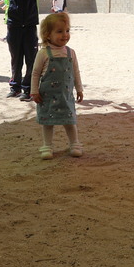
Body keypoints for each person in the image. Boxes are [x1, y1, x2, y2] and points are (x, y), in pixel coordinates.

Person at [30, 12, 84, 160]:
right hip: (47, 96)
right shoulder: (43, 53)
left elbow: (76, 72)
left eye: (67, 31)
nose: (65, 35)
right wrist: (34, 91)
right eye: (59, 31)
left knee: (69, 120)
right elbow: (35, 74)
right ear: (47, 35)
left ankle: (75, 144)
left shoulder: (70, 53)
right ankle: (47, 145)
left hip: (65, 95)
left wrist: (79, 89)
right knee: (48, 122)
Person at [4, 0, 45, 99]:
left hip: (29, 27)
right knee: (16, 58)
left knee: (31, 59)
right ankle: (15, 87)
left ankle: (28, 89)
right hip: (13, 27)